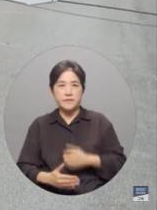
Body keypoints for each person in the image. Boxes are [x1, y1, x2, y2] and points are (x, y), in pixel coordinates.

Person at [17, 60, 126, 195]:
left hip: (95, 199)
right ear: (52, 90)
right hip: (49, 199)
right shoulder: (39, 125)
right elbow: (23, 166)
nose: (68, 92)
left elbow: (120, 164)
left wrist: (89, 159)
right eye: (61, 85)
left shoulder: (100, 122)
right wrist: (48, 178)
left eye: (75, 85)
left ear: (83, 90)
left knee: (140, 197)